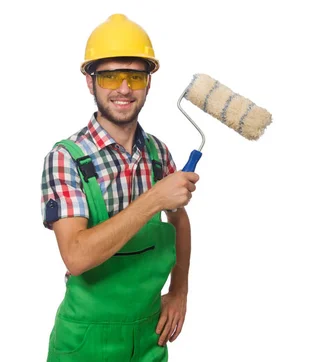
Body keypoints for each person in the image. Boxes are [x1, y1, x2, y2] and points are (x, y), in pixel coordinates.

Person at [40, 14, 199, 361]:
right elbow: (77, 256)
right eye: (111, 75)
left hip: (149, 337)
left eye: (135, 76)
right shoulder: (66, 158)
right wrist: (154, 198)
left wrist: (180, 291)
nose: (124, 88)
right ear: (90, 81)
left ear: (148, 82)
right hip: (86, 341)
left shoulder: (158, 154)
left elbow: (180, 220)